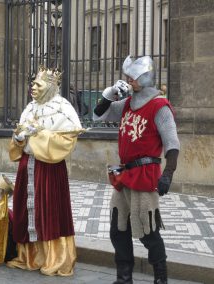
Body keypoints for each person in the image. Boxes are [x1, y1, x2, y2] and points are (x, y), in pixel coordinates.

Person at [93, 55, 180, 284]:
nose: (129, 81)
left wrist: (168, 174)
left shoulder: (160, 106)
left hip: (145, 175)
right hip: (124, 174)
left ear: (145, 77)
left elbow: (172, 144)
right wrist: (108, 94)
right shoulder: (127, 104)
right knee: (118, 227)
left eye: (132, 77)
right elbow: (98, 114)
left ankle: (160, 279)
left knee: (147, 230)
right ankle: (124, 278)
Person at [7, 66, 84, 276]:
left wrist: (38, 135)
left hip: (49, 170)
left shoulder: (63, 108)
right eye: (32, 83)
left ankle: (54, 258)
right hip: (27, 167)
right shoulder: (30, 108)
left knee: (49, 210)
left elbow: (66, 141)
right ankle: (31, 256)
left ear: (49, 87)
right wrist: (19, 138)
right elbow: (19, 136)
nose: (32, 87)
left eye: (37, 84)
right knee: (25, 207)